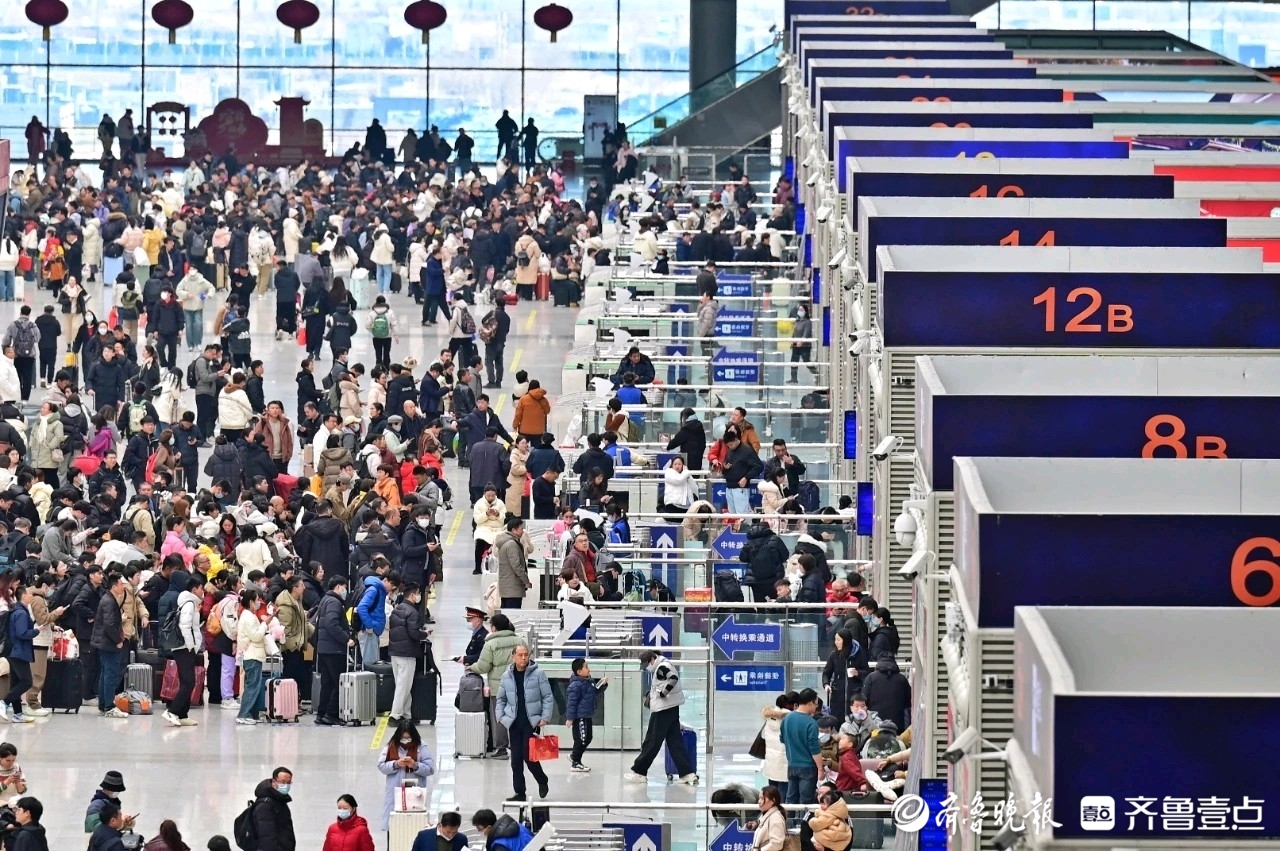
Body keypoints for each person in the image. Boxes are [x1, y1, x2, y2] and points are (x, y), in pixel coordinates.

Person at [624, 650, 697, 785]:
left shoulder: (662, 666)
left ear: (652, 659)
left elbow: (673, 678)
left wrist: (663, 693)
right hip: (671, 708)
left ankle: (639, 772)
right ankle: (687, 773)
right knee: (674, 742)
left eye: (646, 664)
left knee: (651, 742)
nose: (646, 667)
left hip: (662, 710)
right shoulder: (662, 665)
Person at [495, 644, 553, 802]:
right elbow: (500, 698)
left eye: (526, 655)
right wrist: (500, 716)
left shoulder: (538, 674)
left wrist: (545, 717)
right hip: (513, 722)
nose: (523, 658)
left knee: (529, 757)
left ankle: (542, 780)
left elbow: (547, 696)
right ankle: (520, 792)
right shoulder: (507, 676)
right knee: (516, 760)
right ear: (513, 656)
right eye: (520, 655)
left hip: (531, 722)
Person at [468, 612, 518, 759]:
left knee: (500, 718)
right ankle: (518, 745)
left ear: (494, 628)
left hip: (499, 686)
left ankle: (501, 749)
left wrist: (472, 667)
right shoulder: (520, 641)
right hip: (518, 684)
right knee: (517, 715)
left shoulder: (490, 644)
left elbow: (483, 666)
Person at [376, 721, 436, 831]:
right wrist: (395, 764)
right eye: (403, 738)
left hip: (415, 794)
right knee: (394, 826)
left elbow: (430, 769)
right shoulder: (391, 746)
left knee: (414, 825)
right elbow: (381, 765)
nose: (406, 740)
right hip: (395, 793)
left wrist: (415, 765)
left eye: (408, 738)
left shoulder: (422, 747)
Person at [314, 575, 353, 726]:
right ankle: (331, 714)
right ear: (338, 587)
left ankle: (321, 713)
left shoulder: (325, 600)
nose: (346, 591)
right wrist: (346, 639)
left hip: (324, 648)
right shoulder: (334, 602)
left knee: (327, 683)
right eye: (344, 587)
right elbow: (331, 624)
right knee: (338, 683)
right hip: (334, 649)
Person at [780, 688, 823, 811]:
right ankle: (802, 828)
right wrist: (820, 769)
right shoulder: (811, 723)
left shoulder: (787, 718)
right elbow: (814, 749)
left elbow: (782, 739)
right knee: (806, 802)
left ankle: (788, 826)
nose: (815, 707)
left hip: (792, 765)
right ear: (810, 703)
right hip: (808, 768)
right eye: (815, 704)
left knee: (790, 800)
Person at [387, 583, 425, 722]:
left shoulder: (397, 609)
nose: (419, 596)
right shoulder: (412, 612)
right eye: (418, 593)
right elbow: (414, 633)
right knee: (404, 686)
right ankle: (395, 715)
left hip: (395, 652)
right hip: (407, 653)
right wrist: (424, 634)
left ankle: (406, 714)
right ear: (412, 595)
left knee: (403, 684)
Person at [565, 656, 608, 773]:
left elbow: (594, 692)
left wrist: (603, 685)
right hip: (580, 717)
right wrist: (570, 718)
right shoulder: (575, 685)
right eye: (586, 667)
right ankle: (575, 762)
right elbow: (571, 703)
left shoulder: (588, 681)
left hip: (587, 715)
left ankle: (575, 757)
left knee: (588, 737)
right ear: (579, 671)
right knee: (581, 739)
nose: (589, 669)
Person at [4, 584, 39, 723]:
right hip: (19, 652)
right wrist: (37, 631)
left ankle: (18, 713)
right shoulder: (21, 613)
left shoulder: (17, 610)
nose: (32, 596)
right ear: (24, 595)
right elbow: (22, 633)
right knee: (26, 681)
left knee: (15, 682)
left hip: (14, 651)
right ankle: (4, 702)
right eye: (30, 593)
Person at [235, 587, 269, 725]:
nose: (258, 602)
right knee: (252, 686)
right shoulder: (248, 617)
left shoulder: (249, 615)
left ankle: (253, 714)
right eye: (256, 600)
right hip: (252, 655)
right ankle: (243, 714)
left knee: (254, 685)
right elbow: (256, 636)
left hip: (253, 654)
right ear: (250, 602)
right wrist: (264, 625)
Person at [251, 768, 297, 851]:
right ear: (274, 782)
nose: (286, 785)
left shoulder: (279, 800)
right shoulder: (265, 804)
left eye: (288, 783)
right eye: (282, 782)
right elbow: (266, 835)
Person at [745, 786, 787, 851]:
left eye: (762, 798)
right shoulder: (767, 814)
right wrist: (756, 823)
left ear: (773, 800)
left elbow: (777, 844)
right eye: (759, 798)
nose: (759, 801)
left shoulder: (775, 817)